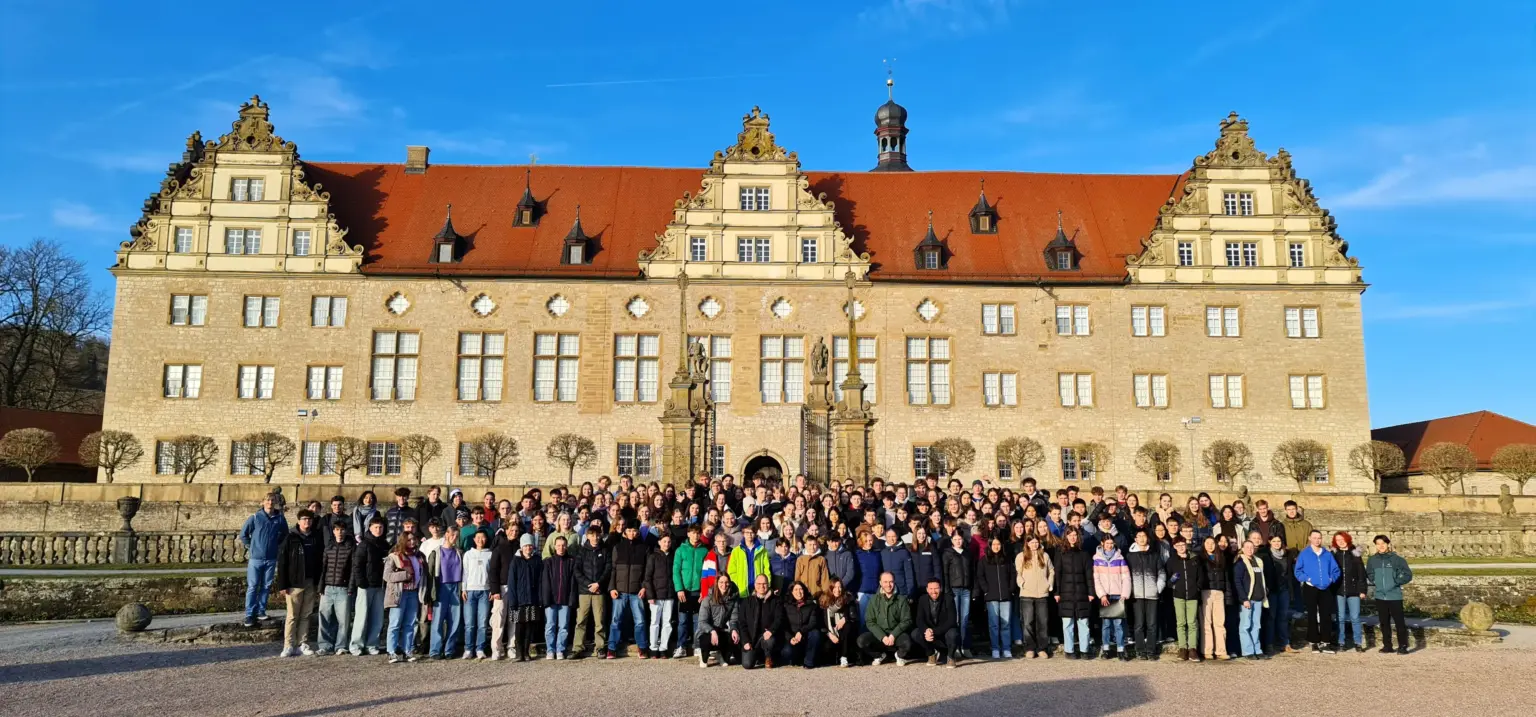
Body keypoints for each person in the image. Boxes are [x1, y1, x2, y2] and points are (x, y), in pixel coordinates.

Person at [273, 508, 323, 657]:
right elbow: (282, 563)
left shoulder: (316, 538)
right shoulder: (290, 538)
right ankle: (288, 644)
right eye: (304, 519)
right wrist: (282, 584)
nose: (307, 522)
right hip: (294, 582)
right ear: (299, 521)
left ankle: (302, 642)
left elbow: (320, 560)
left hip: (310, 580)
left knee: (306, 614)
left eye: (309, 519)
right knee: (292, 615)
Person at [238, 491, 287, 627]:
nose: (270, 503)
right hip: (256, 558)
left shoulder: (280, 518)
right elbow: (243, 535)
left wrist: (276, 545)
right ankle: (249, 614)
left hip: (271, 558)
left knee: (266, 586)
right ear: (262, 502)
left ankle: (261, 611)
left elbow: (285, 534)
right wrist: (251, 547)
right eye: (267, 500)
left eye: (272, 500)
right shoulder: (255, 517)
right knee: (253, 586)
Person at [607, 520, 651, 659]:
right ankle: (612, 648)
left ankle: (642, 647)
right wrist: (612, 587)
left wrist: (644, 587)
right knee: (616, 620)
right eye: (629, 530)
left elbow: (646, 571)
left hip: (636, 591)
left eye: (634, 531)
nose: (632, 533)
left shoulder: (644, 548)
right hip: (619, 591)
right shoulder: (618, 547)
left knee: (640, 621)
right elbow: (613, 569)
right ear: (625, 532)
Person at [1294, 529, 1341, 653]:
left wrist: (1331, 579)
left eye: (1319, 538)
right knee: (1312, 615)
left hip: (1326, 588)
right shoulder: (1304, 554)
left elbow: (1336, 570)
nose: (1317, 540)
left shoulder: (1327, 554)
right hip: (1311, 587)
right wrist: (1307, 578)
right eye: (1314, 537)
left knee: (1326, 615)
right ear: (1310, 538)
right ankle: (1314, 641)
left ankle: (1326, 642)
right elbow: (1298, 571)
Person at [1366, 534, 1413, 655]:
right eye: (1378, 544)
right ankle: (1387, 645)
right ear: (1375, 545)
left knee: (1399, 622)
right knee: (1384, 622)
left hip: (1394, 595)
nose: (1381, 546)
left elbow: (1407, 574)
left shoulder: (1397, 559)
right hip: (1380, 596)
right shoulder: (1372, 560)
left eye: (1383, 543)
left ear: (1388, 544)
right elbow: (1369, 573)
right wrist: (1375, 581)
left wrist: (1396, 581)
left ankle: (1403, 646)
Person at [383, 532, 426, 663]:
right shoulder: (394, 556)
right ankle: (391, 651)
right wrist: (404, 575)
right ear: (403, 542)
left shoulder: (419, 556)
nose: (412, 542)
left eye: (413, 539)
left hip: (414, 593)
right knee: (395, 623)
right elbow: (387, 576)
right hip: (399, 594)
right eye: (408, 540)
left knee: (410, 624)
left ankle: (407, 650)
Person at [348, 516, 389, 655]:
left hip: (380, 585)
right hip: (366, 585)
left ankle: (372, 644)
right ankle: (356, 645)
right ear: (370, 528)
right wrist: (361, 583)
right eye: (376, 527)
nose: (378, 529)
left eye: (381, 527)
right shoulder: (364, 544)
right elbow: (357, 565)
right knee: (361, 617)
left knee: (377, 617)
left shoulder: (385, 545)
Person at [572, 519, 612, 658]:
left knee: (599, 621)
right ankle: (577, 647)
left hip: (599, 591)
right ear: (588, 536)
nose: (595, 538)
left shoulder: (605, 551)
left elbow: (608, 569)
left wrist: (598, 584)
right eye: (592, 535)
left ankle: (600, 647)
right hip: (584, 591)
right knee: (581, 620)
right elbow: (577, 571)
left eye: (597, 535)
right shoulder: (582, 551)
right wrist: (589, 584)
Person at [1054, 528, 1095, 660]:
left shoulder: (1084, 554)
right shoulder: (1060, 553)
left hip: (1082, 592)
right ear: (1066, 537)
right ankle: (1069, 650)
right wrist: (1057, 592)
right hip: (1066, 593)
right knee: (1067, 623)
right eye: (1070, 535)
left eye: (1075, 535)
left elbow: (1089, 575)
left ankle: (1084, 650)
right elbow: (1057, 574)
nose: (1072, 537)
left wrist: (1090, 592)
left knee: (1083, 623)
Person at [424, 524, 463, 660]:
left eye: (456, 536)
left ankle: (449, 650)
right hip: (441, 587)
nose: (454, 538)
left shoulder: (459, 552)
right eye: (452, 535)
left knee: (455, 621)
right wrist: (429, 593)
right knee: (438, 620)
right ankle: (435, 650)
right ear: (446, 534)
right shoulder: (436, 552)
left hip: (456, 587)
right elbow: (429, 574)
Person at [858, 572, 914, 666]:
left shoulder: (901, 599)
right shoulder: (874, 600)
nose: (888, 585)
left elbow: (907, 620)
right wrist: (882, 636)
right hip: (879, 635)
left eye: (891, 582)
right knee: (861, 641)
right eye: (885, 582)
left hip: (896, 635)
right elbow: (870, 621)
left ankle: (899, 656)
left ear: (894, 582)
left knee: (907, 642)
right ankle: (879, 656)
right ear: (880, 583)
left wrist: (893, 635)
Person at [1125, 529, 1165, 660]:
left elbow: (1162, 573)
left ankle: (1151, 650)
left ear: (1147, 538)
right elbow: (1126, 575)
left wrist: (1157, 588)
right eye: (1139, 536)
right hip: (1136, 595)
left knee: (1152, 624)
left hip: (1152, 594)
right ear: (1135, 539)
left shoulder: (1154, 555)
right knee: (1139, 624)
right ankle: (1140, 650)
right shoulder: (1130, 556)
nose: (1142, 538)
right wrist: (1129, 591)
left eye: (1144, 536)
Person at [316, 520, 355, 655]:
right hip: (327, 588)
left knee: (343, 620)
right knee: (324, 618)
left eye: (342, 530)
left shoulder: (351, 547)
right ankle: (325, 645)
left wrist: (350, 588)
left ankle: (341, 645)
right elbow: (323, 568)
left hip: (343, 588)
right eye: (337, 530)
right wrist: (321, 587)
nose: (340, 532)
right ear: (333, 531)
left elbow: (352, 570)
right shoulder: (329, 547)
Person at [975, 535, 1016, 659]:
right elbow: (980, 576)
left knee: (1006, 624)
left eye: (998, 544)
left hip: (1005, 596)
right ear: (990, 546)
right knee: (994, 625)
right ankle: (995, 648)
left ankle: (1007, 648)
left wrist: (1011, 589)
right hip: (991, 597)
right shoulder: (984, 560)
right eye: (994, 544)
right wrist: (986, 590)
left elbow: (1013, 575)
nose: (996, 547)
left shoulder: (1007, 559)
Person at [1164, 536, 1204, 662]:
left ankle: (1192, 648)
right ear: (1174, 547)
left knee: (1192, 623)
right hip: (1178, 595)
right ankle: (1182, 648)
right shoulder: (1171, 561)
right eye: (1178, 545)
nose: (1181, 547)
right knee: (1181, 622)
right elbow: (1168, 580)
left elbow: (1201, 577)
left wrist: (1197, 588)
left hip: (1192, 595)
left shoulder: (1194, 559)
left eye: (1183, 545)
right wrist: (1173, 583)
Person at [504, 533, 543, 661]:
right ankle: (519, 652)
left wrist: (540, 598)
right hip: (519, 600)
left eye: (530, 546)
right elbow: (511, 582)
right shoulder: (515, 561)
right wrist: (513, 601)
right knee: (519, 627)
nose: (528, 548)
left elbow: (540, 581)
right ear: (521, 547)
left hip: (533, 599)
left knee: (530, 627)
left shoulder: (537, 560)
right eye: (526, 546)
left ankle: (526, 652)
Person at [1015, 534, 1054, 659]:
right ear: (1027, 544)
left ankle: (1042, 648)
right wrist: (1022, 584)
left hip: (1042, 593)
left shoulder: (1045, 555)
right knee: (1028, 622)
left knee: (1043, 622)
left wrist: (1049, 584)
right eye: (1031, 542)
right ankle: (1030, 648)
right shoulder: (1021, 556)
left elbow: (1051, 571)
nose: (1034, 545)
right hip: (1027, 593)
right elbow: (1018, 573)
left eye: (1036, 542)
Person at [1093, 534, 1131, 661]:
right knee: (1106, 624)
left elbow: (1126, 577)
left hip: (1117, 594)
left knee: (1119, 624)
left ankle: (1121, 648)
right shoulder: (1097, 560)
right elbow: (1096, 579)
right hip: (1105, 595)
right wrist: (1102, 595)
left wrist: (1124, 594)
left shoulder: (1120, 558)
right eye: (1107, 543)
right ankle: (1106, 649)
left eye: (1111, 543)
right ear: (1102, 544)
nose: (1109, 546)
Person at [540, 534, 577, 659]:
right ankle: (550, 649)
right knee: (550, 625)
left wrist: (571, 599)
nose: (561, 548)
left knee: (564, 626)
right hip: (551, 600)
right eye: (559, 545)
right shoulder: (548, 562)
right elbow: (545, 582)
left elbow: (573, 582)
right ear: (554, 547)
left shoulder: (571, 561)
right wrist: (545, 599)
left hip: (565, 599)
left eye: (563, 545)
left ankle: (560, 649)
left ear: (566, 547)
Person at [673, 523, 707, 658]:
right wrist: (679, 589)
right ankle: (681, 646)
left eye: (698, 533)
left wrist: (704, 591)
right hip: (684, 590)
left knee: (697, 620)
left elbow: (707, 573)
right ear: (688, 534)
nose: (695, 536)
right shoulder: (681, 550)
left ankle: (697, 646)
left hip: (698, 591)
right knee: (683, 620)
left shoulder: (704, 551)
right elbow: (676, 570)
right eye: (693, 533)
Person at [940, 530, 975, 657]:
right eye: (955, 539)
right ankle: (954, 647)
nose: (958, 541)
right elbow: (945, 573)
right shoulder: (947, 554)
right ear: (951, 541)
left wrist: (973, 588)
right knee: (955, 619)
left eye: (960, 539)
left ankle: (964, 646)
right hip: (953, 589)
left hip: (966, 590)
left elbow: (972, 571)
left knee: (965, 619)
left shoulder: (967, 553)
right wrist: (947, 590)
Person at [738, 574, 784, 669]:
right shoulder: (746, 602)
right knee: (747, 664)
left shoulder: (776, 600)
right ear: (755, 585)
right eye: (759, 583)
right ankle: (758, 657)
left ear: (768, 584)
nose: (762, 586)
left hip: (767, 637)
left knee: (769, 641)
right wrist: (746, 641)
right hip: (751, 640)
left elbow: (779, 618)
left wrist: (771, 630)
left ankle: (768, 657)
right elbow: (742, 623)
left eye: (764, 584)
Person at [1331, 531, 1367, 652]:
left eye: (1342, 539)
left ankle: (1358, 643)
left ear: (1347, 539)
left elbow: (1361, 573)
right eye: (1337, 540)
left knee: (1355, 617)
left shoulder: (1355, 554)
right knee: (1340, 617)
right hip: (1339, 590)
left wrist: (1362, 590)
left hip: (1354, 590)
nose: (1340, 541)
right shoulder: (1334, 555)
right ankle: (1341, 641)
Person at [911, 578, 960, 667]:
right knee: (915, 633)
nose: (933, 591)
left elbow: (952, 620)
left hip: (944, 632)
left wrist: (934, 631)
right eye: (931, 589)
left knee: (953, 633)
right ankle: (931, 655)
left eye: (936, 588)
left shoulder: (948, 599)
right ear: (927, 589)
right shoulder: (922, 599)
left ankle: (951, 657)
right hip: (930, 633)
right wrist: (926, 630)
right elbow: (919, 619)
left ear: (940, 588)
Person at [644, 532, 678, 658]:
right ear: (659, 542)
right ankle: (653, 647)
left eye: (669, 542)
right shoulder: (653, 556)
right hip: (656, 595)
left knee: (667, 622)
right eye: (664, 541)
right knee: (654, 622)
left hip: (669, 595)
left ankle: (663, 647)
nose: (667, 544)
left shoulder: (673, 556)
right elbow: (647, 577)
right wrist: (650, 595)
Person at [1233, 539, 1268, 659]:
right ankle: (1248, 651)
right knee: (1245, 625)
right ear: (1242, 548)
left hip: (1258, 598)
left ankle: (1257, 649)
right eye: (1247, 547)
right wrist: (1244, 599)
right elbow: (1237, 582)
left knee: (1256, 625)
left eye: (1252, 547)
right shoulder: (1240, 563)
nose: (1250, 549)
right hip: (1247, 599)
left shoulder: (1258, 561)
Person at [696, 573, 741, 667]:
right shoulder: (708, 599)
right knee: (706, 641)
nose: (724, 585)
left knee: (733, 638)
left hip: (722, 629)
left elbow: (734, 619)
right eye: (721, 582)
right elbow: (701, 622)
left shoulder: (733, 599)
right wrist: (712, 631)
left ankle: (721, 654)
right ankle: (704, 655)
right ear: (717, 583)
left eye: (726, 582)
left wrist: (734, 630)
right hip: (706, 631)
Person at [461, 529, 493, 659]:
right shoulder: (468, 554)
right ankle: (468, 649)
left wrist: (492, 589)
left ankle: (480, 648)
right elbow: (465, 572)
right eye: (478, 537)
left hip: (485, 591)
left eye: (483, 537)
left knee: (483, 622)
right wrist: (464, 589)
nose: (480, 540)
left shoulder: (490, 554)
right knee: (469, 623)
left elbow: (491, 574)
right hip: (470, 590)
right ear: (474, 539)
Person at [1199, 535, 1231, 660]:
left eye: (1212, 543)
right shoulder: (1200, 558)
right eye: (1207, 543)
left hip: (1219, 592)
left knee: (1219, 622)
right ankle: (1207, 650)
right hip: (1205, 591)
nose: (1210, 545)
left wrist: (1227, 594)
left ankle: (1221, 650)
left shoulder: (1221, 558)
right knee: (1206, 623)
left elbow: (1226, 578)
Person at [1264, 534, 1296, 654]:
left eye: (1279, 541)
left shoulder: (1286, 556)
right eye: (1274, 541)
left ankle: (1285, 643)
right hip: (1272, 590)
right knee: (1271, 618)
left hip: (1284, 590)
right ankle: (1269, 644)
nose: (1277, 543)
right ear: (1270, 542)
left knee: (1283, 617)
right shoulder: (1267, 556)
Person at [822, 579, 859, 667]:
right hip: (831, 633)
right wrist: (829, 634)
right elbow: (821, 623)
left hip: (846, 633)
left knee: (847, 626)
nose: (837, 589)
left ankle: (844, 656)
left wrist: (845, 618)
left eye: (840, 587)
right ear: (831, 588)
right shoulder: (824, 602)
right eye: (835, 587)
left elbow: (853, 616)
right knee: (827, 647)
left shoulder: (848, 599)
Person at [727, 524, 771, 599]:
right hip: (742, 590)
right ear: (743, 534)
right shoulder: (736, 551)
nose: (749, 535)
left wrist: (767, 584)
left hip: (758, 589)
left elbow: (767, 569)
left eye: (752, 532)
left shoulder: (762, 550)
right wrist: (737, 585)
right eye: (747, 533)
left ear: (755, 533)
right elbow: (731, 571)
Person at [853, 530, 884, 623]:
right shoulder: (857, 554)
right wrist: (855, 593)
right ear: (861, 541)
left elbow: (881, 571)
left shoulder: (877, 553)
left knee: (876, 618)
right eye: (866, 541)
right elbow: (856, 574)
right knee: (863, 619)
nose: (869, 543)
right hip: (862, 591)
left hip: (876, 590)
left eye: (870, 540)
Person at [880, 527, 916, 599]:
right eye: (889, 537)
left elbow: (909, 573)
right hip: (887, 590)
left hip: (902, 590)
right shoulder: (883, 552)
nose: (891, 539)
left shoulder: (904, 552)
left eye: (893, 536)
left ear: (897, 536)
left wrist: (910, 591)